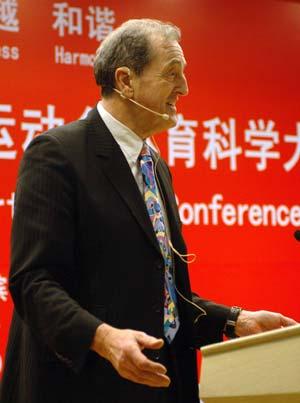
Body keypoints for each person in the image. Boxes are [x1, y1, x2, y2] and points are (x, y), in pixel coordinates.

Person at [0, 19, 296, 403]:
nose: (185, 88)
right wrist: (103, 338)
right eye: (172, 74)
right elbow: (32, 282)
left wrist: (236, 321)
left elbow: (165, 298)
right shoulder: (57, 153)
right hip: (83, 386)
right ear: (125, 80)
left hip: (158, 385)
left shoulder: (154, 164)